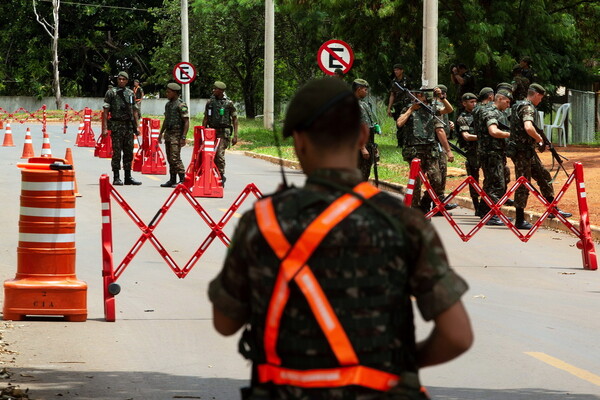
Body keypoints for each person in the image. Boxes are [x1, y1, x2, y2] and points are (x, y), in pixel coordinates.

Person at [208, 77, 473, 399]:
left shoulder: (261, 222)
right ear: (362, 135)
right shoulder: (404, 222)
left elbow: (224, 323)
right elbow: (457, 336)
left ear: (299, 142)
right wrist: (395, 365)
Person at [508, 83, 572, 229]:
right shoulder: (527, 107)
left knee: (544, 176)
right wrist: (540, 139)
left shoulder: (518, 105)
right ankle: (519, 219)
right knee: (523, 183)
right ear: (536, 94)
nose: (540, 101)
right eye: (541, 98)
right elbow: (528, 127)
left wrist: (538, 143)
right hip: (521, 153)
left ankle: (552, 209)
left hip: (528, 151)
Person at [397, 87, 454, 214]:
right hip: (414, 150)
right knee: (416, 182)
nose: (417, 96)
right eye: (415, 94)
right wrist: (411, 110)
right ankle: (415, 207)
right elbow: (399, 123)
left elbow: (449, 110)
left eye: (420, 95)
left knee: (437, 180)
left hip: (430, 149)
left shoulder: (432, 108)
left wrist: (442, 98)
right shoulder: (408, 108)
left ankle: (425, 202)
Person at [476, 89, 513, 225]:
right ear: (499, 99)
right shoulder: (490, 111)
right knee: (497, 184)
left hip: (496, 152)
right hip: (490, 153)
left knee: (493, 182)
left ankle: (484, 211)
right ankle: (491, 215)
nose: (508, 105)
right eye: (507, 102)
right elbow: (493, 131)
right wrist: (510, 135)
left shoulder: (497, 112)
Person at [102, 71, 142, 186]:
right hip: (116, 126)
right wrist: (104, 128)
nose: (121, 81)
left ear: (127, 81)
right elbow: (105, 111)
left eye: (124, 79)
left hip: (128, 126)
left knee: (129, 152)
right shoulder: (111, 93)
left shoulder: (130, 93)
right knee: (117, 152)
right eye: (119, 79)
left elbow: (134, 110)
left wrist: (137, 126)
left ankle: (128, 177)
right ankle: (116, 177)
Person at [203, 81, 238, 185]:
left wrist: (235, 136)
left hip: (223, 133)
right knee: (210, 155)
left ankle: (221, 176)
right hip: (211, 132)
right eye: (213, 88)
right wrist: (202, 132)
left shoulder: (228, 103)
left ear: (221, 91)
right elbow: (205, 118)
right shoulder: (210, 102)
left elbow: (235, 119)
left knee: (219, 154)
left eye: (216, 89)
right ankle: (213, 175)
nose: (213, 90)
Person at [158, 83, 190, 188]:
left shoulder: (181, 105)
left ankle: (182, 179)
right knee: (170, 158)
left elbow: (186, 121)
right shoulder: (168, 105)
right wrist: (161, 133)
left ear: (175, 92)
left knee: (175, 157)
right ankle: (172, 179)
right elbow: (166, 120)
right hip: (168, 134)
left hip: (177, 134)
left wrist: (183, 137)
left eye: (169, 92)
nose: (167, 94)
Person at [433, 84, 458, 211]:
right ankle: (438, 202)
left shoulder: (441, 106)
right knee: (440, 173)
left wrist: (449, 125)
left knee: (440, 174)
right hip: (437, 145)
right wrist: (448, 151)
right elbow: (439, 130)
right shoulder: (437, 106)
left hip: (440, 143)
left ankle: (439, 202)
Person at [456, 92, 481, 215]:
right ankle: (477, 206)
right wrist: (482, 137)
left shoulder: (481, 114)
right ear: (464, 103)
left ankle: (487, 204)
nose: (474, 104)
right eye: (471, 102)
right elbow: (466, 136)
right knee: (473, 179)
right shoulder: (462, 118)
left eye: (475, 101)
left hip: (484, 150)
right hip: (472, 152)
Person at [353, 78, 380, 182]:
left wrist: (373, 146)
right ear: (359, 89)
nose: (366, 92)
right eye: (365, 89)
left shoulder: (363, 104)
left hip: (368, 144)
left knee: (364, 175)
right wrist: (362, 147)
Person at [387, 64, 411, 147]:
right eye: (395, 70)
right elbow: (392, 95)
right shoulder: (394, 81)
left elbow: (412, 93)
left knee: (407, 124)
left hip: (407, 105)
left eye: (397, 70)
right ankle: (400, 143)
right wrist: (389, 108)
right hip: (398, 105)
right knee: (399, 124)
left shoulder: (407, 80)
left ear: (402, 70)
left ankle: (407, 142)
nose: (396, 72)